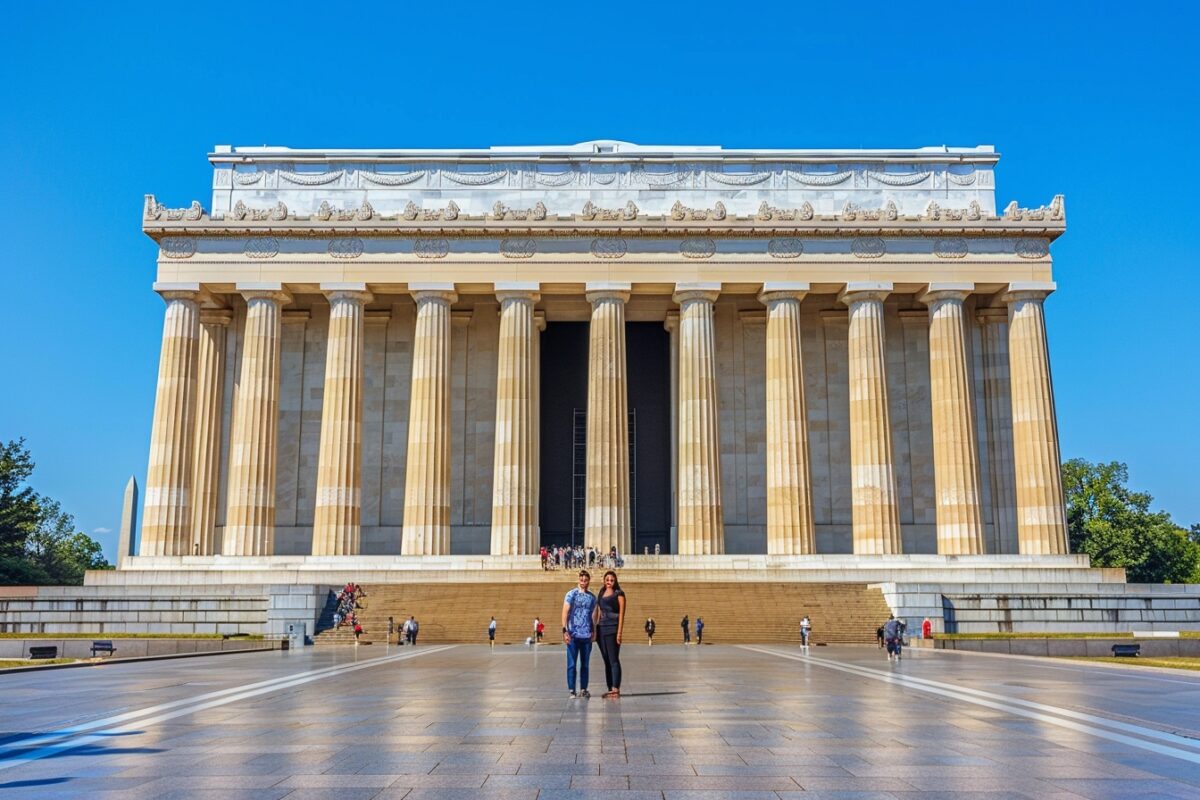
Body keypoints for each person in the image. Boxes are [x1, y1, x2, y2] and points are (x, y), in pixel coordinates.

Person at [561, 569, 598, 699]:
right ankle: (572, 689)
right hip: (573, 634)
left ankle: (583, 689)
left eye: (586, 580)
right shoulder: (571, 594)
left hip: (586, 635)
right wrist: (564, 630)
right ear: (578, 580)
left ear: (589, 581)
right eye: (581, 580)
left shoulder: (592, 597)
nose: (583, 582)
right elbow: (565, 612)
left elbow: (594, 615)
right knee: (571, 664)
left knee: (585, 664)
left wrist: (594, 631)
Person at [596, 570, 626, 699]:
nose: (609, 582)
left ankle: (616, 688)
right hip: (601, 628)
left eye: (612, 580)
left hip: (612, 628)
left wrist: (619, 632)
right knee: (606, 660)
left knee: (613, 659)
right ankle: (610, 688)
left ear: (615, 581)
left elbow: (622, 615)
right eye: (607, 580)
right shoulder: (601, 592)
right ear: (604, 580)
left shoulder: (619, 594)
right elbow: (598, 610)